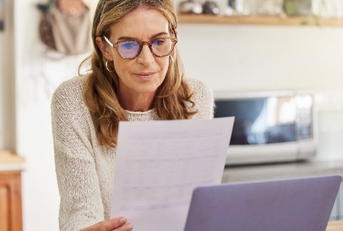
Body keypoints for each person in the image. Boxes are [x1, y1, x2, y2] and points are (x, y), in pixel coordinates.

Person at [51, 0, 214, 230]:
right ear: (105, 48)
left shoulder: (196, 98)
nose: (147, 60)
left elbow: (196, 205)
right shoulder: (73, 101)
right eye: (129, 46)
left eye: (159, 42)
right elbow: (80, 212)